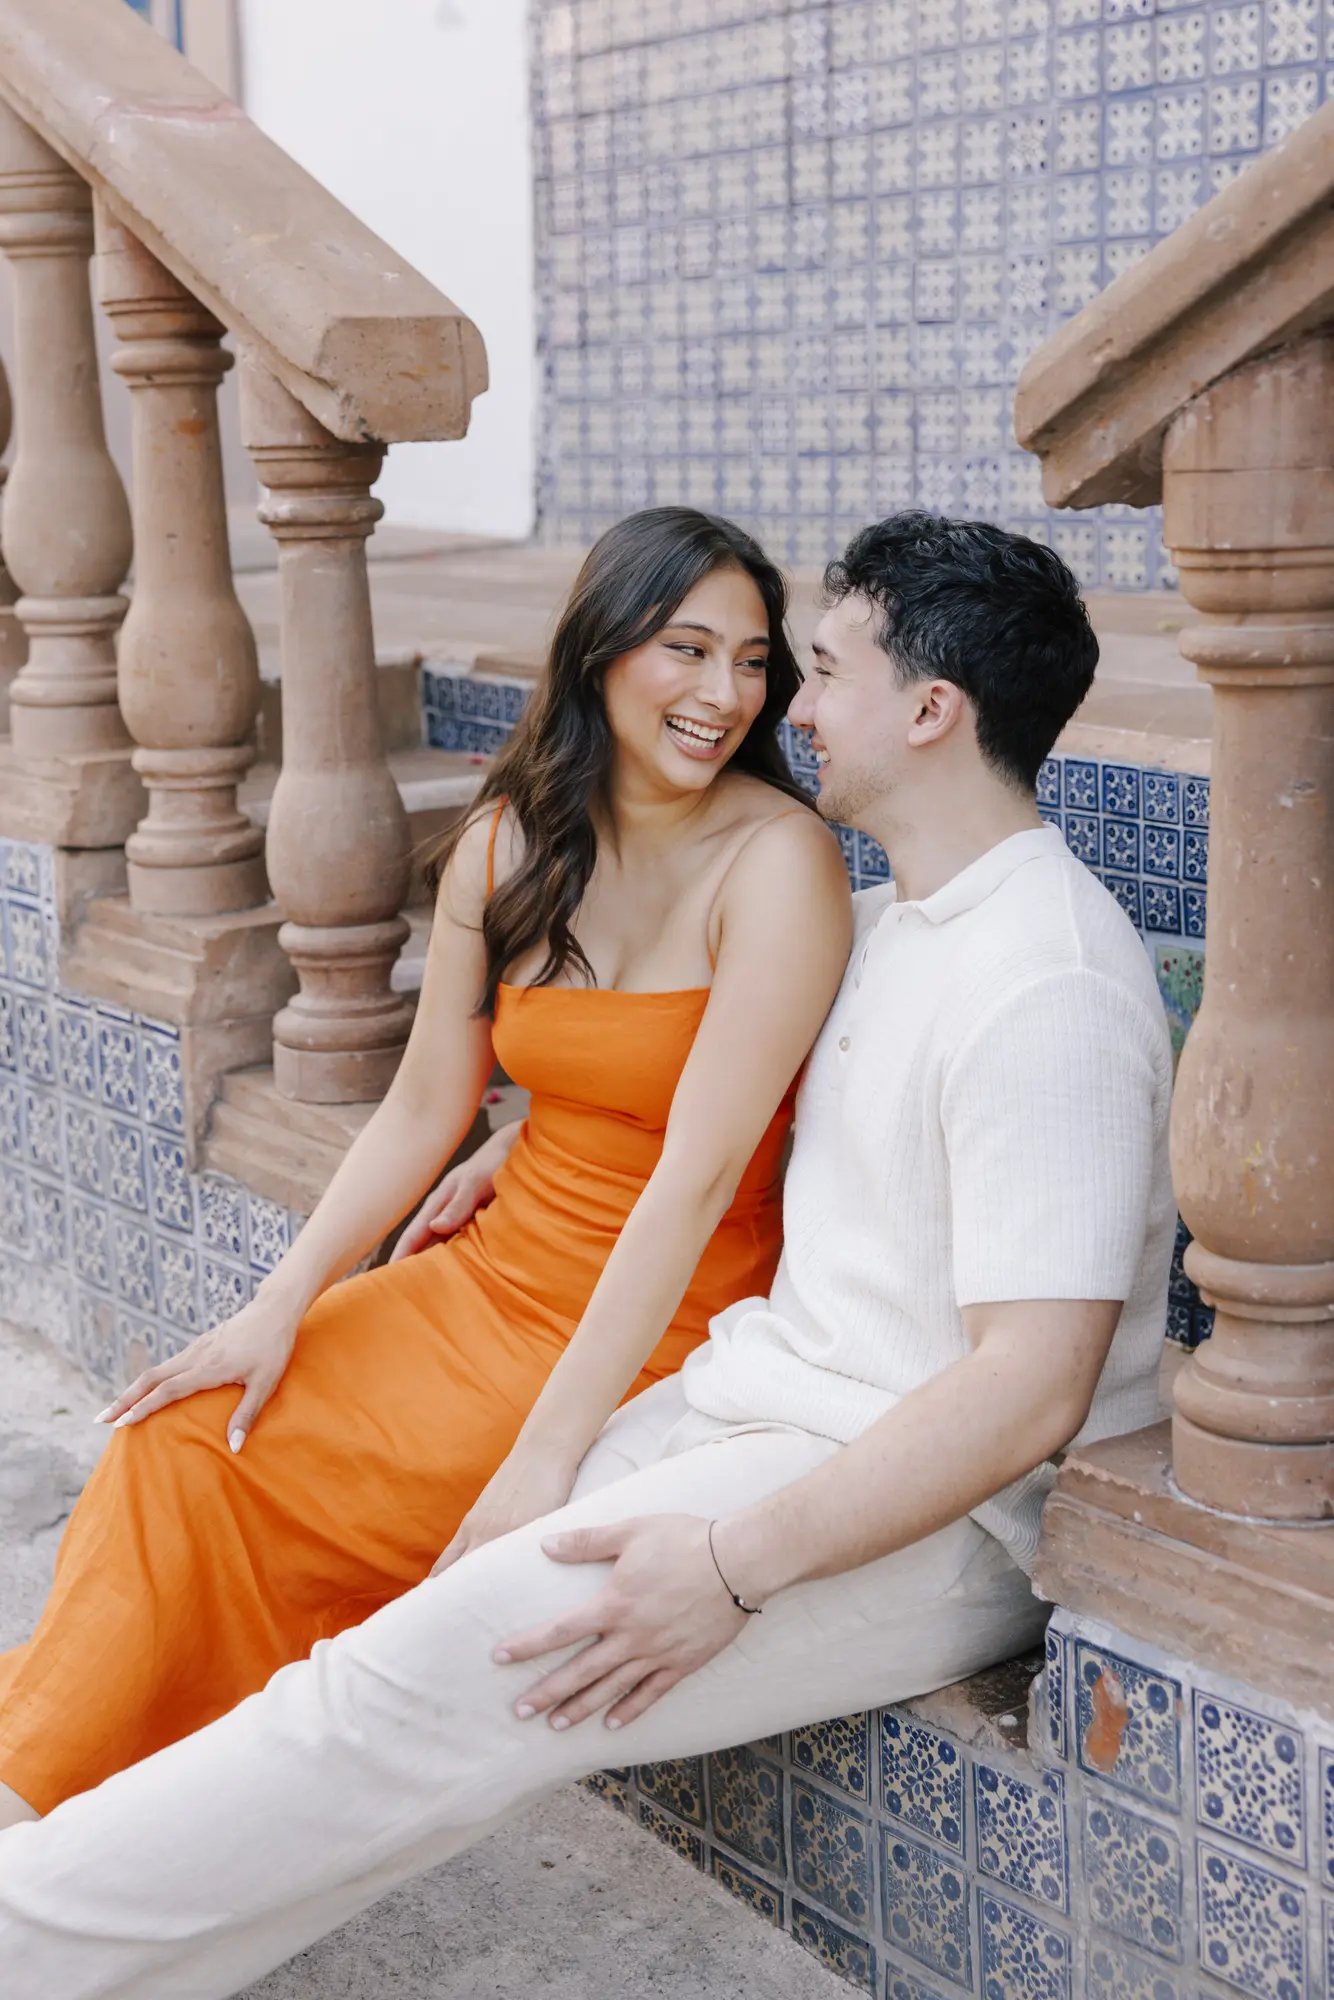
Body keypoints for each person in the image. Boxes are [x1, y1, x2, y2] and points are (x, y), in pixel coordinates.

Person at [0, 514, 1177, 2000]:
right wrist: (515, 1134)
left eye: (812, 670)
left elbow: (1028, 1391)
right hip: (758, 1408)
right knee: (398, 1655)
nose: (783, 709)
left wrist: (729, 1571)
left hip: (914, 1514)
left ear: (929, 712)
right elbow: (682, 1074)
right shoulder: (892, 919)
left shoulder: (1045, 987)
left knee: (431, 1682)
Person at [0, 507, 852, 1830]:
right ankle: (98, 1786)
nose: (724, 694)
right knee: (180, 1440)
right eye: (686, 650)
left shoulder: (777, 864)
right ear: (599, 652)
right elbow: (416, 1110)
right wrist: (272, 1306)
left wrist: (544, 1457)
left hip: (653, 1313)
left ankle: (52, 1807)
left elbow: (690, 1177)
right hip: (492, 1271)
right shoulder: (516, 834)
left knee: (295, 1499)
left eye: (751, 661)